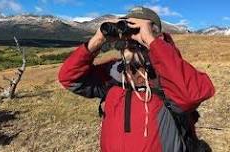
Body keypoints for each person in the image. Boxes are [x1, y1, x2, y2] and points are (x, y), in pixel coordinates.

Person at [58, 6, 215, 152]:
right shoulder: (113, 72)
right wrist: (97, 40)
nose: (130, 39)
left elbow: (191, 95)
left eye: (136, 32)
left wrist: (150, 40)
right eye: (127, 32)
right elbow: (69, 78)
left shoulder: (169, 74)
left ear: (157, 36)